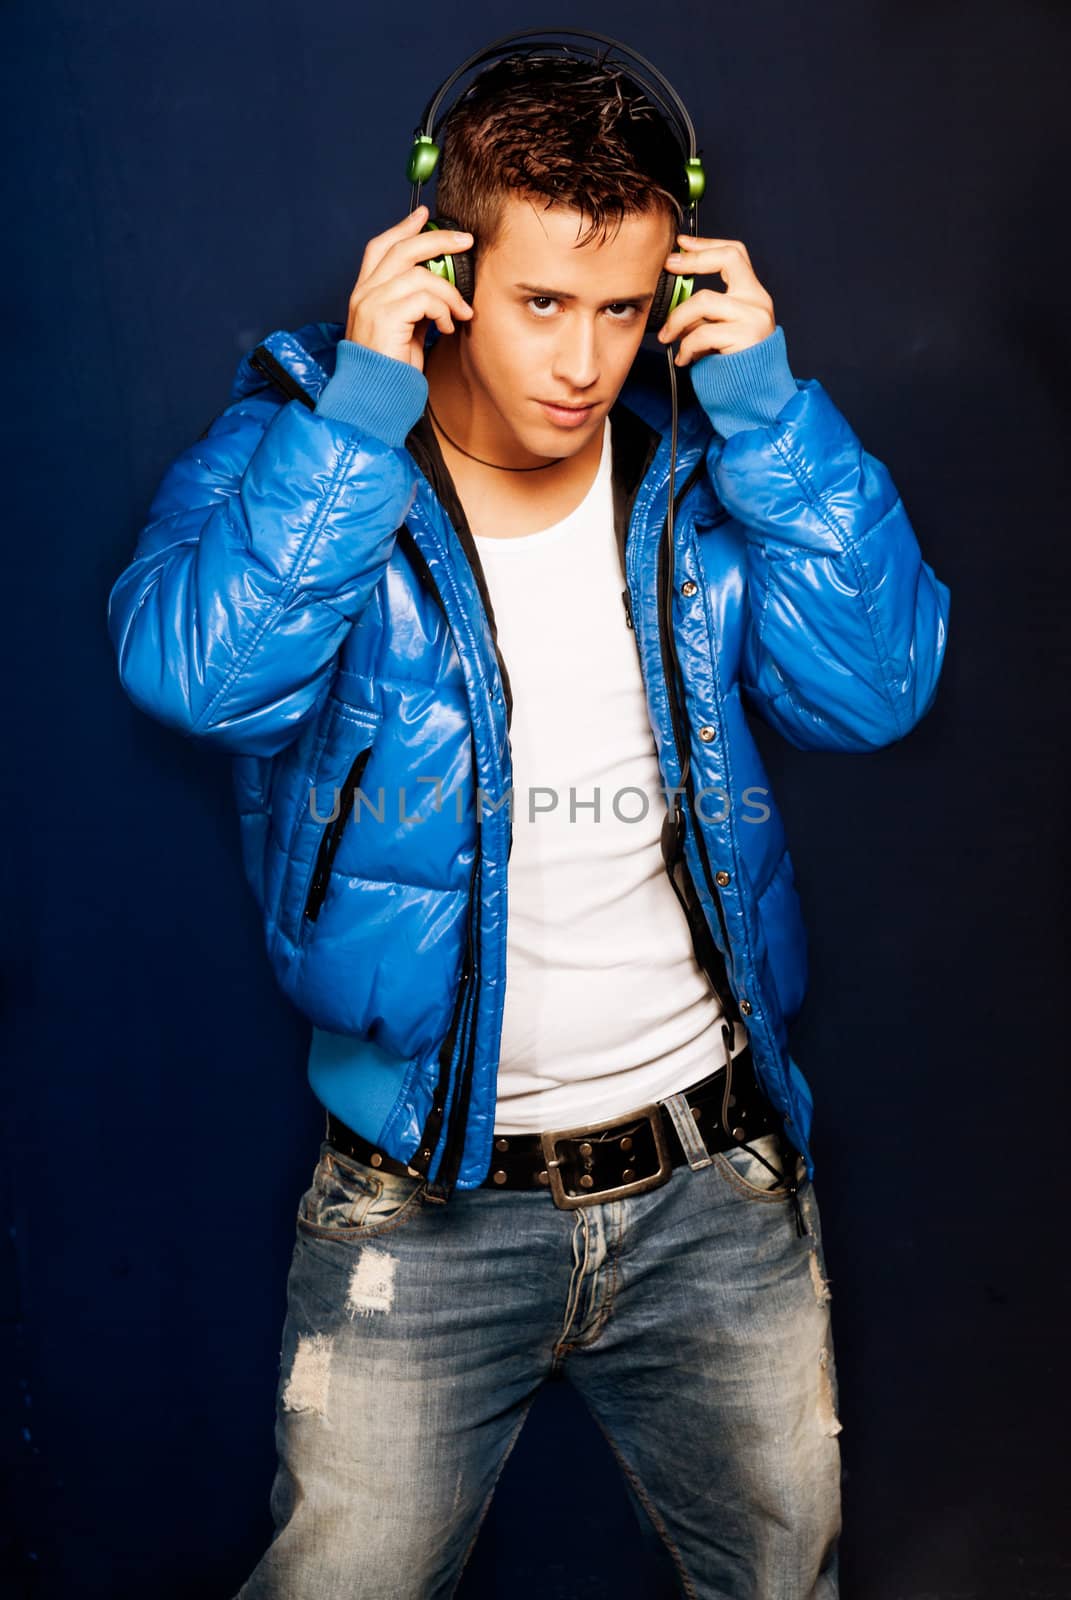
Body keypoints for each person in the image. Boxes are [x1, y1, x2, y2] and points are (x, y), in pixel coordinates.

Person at [106, 35, 950, 1600]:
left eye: (622, 309)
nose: (584, 360)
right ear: (445, 266)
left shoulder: (701, 482)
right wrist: (357, 414)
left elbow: (880, 689)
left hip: (717, 1186)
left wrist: (767, 413)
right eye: (541, 304)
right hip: (422, 1204)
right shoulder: (307, 452)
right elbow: (206, 683)